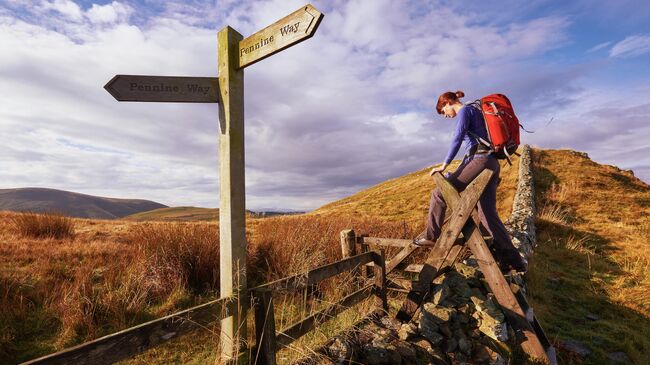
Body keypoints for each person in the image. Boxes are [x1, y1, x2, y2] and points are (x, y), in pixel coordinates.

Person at [414, 90, 527, 273]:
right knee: (487, 215)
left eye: (443, 111)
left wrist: (444, 166)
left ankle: (430, 235)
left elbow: (457, 138)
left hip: (480, 161)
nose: (446, 116)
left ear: (448, 103)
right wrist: (456, 172)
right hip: (491, 163)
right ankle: (514, 261)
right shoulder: (477, 111)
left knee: (439, 194)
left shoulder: (465, 111)